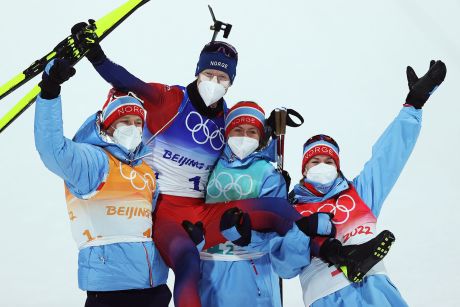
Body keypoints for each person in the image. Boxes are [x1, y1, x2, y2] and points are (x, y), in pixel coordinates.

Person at [69, 22, 334, 307]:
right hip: (165, 212)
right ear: (198, 72)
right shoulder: (169, 100)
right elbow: (127, 81)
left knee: (278, 210)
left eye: (223, 78)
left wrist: (269, 142)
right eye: (209, 74)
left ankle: (335, 253)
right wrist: (96, 55)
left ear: (231, 82)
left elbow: (245, 148)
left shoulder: (228, 119)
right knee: (188, 263)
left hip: (201, 209)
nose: (215, 82)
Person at [290, 60, 446, 306]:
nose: (322, 165)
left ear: (337, 166)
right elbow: (284, 265)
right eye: (315, 161)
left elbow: (388, 157)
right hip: (325, 297)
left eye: (329, 161)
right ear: (304, 169)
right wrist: (302, 234)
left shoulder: (360, 192)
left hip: (374, 290)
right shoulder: (292, 210)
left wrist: (413, 106)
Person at [34, 59, 171, 307]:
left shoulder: (145, 170)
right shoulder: (94, 162)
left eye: (138, 123)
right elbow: (52, 150)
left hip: (155, 288)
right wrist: (50, 91)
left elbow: (157, 223)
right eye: (125, 122)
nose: (133, 128)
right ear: (108, 127)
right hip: (111, 292)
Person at [199, 101, 312, 307]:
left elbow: (277, 234)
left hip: (253, 269)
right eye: (238, 130)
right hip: (210, 267)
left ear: (260, 137)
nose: (244, 136)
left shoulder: (268, 173)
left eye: (252, 131)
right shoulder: (210, 164)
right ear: (227, 132)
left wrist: (247, 237)